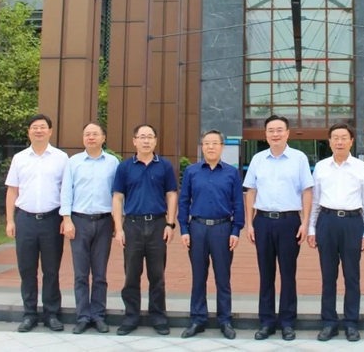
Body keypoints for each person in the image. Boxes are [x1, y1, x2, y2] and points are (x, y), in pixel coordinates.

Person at [244, 114, 313, 342]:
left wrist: (305, 223)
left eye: (279, 130)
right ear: (265, 134)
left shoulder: (299, 158)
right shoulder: (258, 159)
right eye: (271, 130)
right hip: (262, 221)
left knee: (288, 273)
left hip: (289, 222)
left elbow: (307, 191)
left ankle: (287, 322)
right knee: (266, 274)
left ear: (287, 133)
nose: (275, 134)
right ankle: (266, 322)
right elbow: (250, 191)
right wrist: (250, 223)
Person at [307, 123, 364, 342]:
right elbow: (315, 200)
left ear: (351, 141)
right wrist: (311, 228)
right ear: (329, 141)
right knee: (328, 275)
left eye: (344, 137)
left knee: (352, 275)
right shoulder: (321, 167)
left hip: (353, 223)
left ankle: (351, 323)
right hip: (327, 221)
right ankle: (329, 322)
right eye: (335, 137)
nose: (339, 142)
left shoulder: (361, 167)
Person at [178, 129, 245, 340]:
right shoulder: (192, 171)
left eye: (215, 143)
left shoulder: (231, 173)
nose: (211, 146)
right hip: (197, 228)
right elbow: (183, 201)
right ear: (202, 147)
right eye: (207, 143)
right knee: (198, 276)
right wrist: (184, 229)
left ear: (222, 147)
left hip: (222, 229)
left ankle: (225, 320)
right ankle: (198, 319)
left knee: (223, 278)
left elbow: (238, 203)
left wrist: (236, 230)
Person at [4, 114, 69, 333]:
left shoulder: (61, 158)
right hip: (25, 220)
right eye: (34, 127)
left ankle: (52, 313)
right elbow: (12, 190)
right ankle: (29, 314)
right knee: (27, 269)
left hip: (52, 220)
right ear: (28, 132)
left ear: (50, 131)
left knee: (51, 269)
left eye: (43, 127)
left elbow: (66, 190)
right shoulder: (19, 158)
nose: (38, 131)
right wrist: (9, 220)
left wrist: (65, 218)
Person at [112, 124, 178, 336]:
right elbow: (117, 198)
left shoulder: (164, 165)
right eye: (142, 137)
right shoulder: (125, 167)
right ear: (134, 141)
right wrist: (118, 229)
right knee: (131, 274)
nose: (146, 140)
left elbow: (171, 194)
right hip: (132, 225)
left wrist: (170, 224)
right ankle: (131, 317)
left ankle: (158, 317)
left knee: (157, 275)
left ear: (155, 141)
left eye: (150, 137)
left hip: (158, 224)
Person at [60, 122, 119, 334]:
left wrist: (117, 222)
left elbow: (117, 194)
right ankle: (83, 316)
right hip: (79, 221)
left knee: (100, 274)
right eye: (87, 134)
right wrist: (67, 219)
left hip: (104, 221)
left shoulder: (113, 162)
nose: (91, 137)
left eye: (95, 134)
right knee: (81, 274)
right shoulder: (73, 162)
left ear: (103, 138)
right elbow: (66, 191)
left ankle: (98, 315)